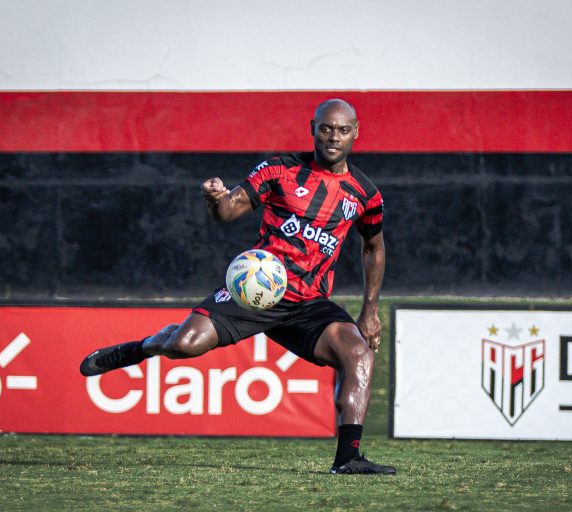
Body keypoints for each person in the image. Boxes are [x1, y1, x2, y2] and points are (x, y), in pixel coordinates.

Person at [80, 98, 395, 475]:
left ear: (355, 133)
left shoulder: (364, 194)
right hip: (253, 291)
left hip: (308, 303)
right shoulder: (280, 170)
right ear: (312, 127)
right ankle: (136, 350)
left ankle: (348, 459)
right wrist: (215, 199)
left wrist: (370, 310)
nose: (333, 137)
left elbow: (373, 248)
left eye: (343, 130)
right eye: (326, 128)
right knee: (184, 345)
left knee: (358, 353)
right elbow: (229, 210)